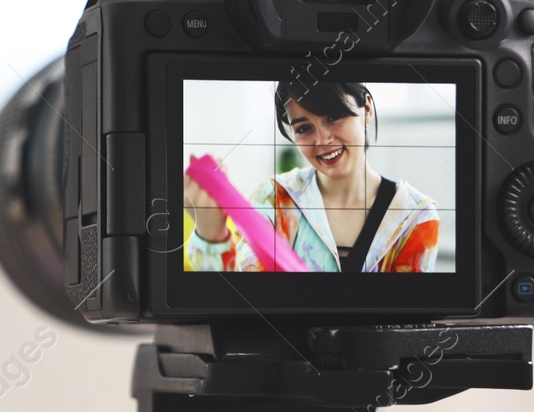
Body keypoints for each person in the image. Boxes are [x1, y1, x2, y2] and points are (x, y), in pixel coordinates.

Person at [183, 80, 440, 272]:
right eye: (304, 128)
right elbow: (238, 302)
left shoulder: (415, 216)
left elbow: (404, 324)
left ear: (367, 109)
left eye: (334, 117)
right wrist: (210, 235)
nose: (322, 140)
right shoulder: (273, 199)